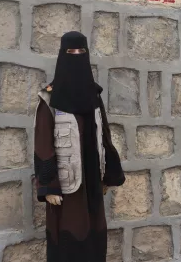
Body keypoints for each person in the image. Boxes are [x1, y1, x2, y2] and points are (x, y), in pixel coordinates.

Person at [33, 31, 125, 262]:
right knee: (69, 232)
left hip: (93, 177)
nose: (76, 56)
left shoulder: (94, 96)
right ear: (61, 56)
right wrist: (49, 186)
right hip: (67, 182)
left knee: (94, 231)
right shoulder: (49, 100)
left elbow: (104, 133)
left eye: (80, 52)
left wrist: (108, 176)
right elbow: (43, 142)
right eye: (70, 52)